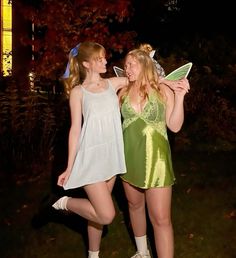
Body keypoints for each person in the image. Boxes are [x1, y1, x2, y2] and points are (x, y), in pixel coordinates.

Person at [51, 41, 128, 258]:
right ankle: (62, 202)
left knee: (95, 214)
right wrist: (69, 167)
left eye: (104, 57)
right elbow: (75, 130)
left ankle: (93, 256)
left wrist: (170, 82)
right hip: (91, 158)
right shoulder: (79, 92)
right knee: (106, 215)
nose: (105, 61)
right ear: (86, 64)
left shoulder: (113, 83)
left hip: (111, 158)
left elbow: (143, 77)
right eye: (99, 59)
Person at [118, 49, 190, 258]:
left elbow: (174, 126)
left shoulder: (162, 90)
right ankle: (142, 253)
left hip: (156, 162)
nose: (127, 68)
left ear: (145, 64)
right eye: (126, 64)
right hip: (129, 159)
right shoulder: (122, 91)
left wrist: (179, 95)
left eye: (131, 64)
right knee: (134, 205)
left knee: (161, 219)